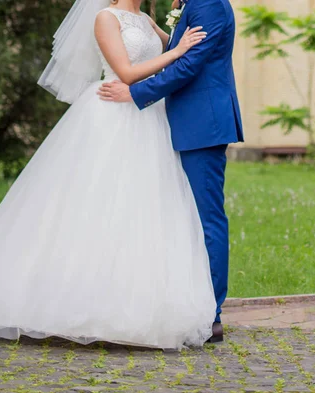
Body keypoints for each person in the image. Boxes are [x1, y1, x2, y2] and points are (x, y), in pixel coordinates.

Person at [0, 0, 220, 350]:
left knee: (143, 211)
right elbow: (127, 73)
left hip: (148, 118)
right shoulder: (105, 18)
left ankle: (136, 304)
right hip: (112, 113)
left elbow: (172, 47)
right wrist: (179, 53)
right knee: (94, 205)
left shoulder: (145, 19)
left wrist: (181, 47)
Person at [98, 0, 243, 342]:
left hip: (202, 123)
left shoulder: (208, 4)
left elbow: (189, 65)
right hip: (176, 123)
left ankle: (211, 316)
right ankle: (185, 304)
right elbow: (171, 51)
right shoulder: (188, 4)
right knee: (180, 218)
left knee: (205, 218)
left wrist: (135, 93)